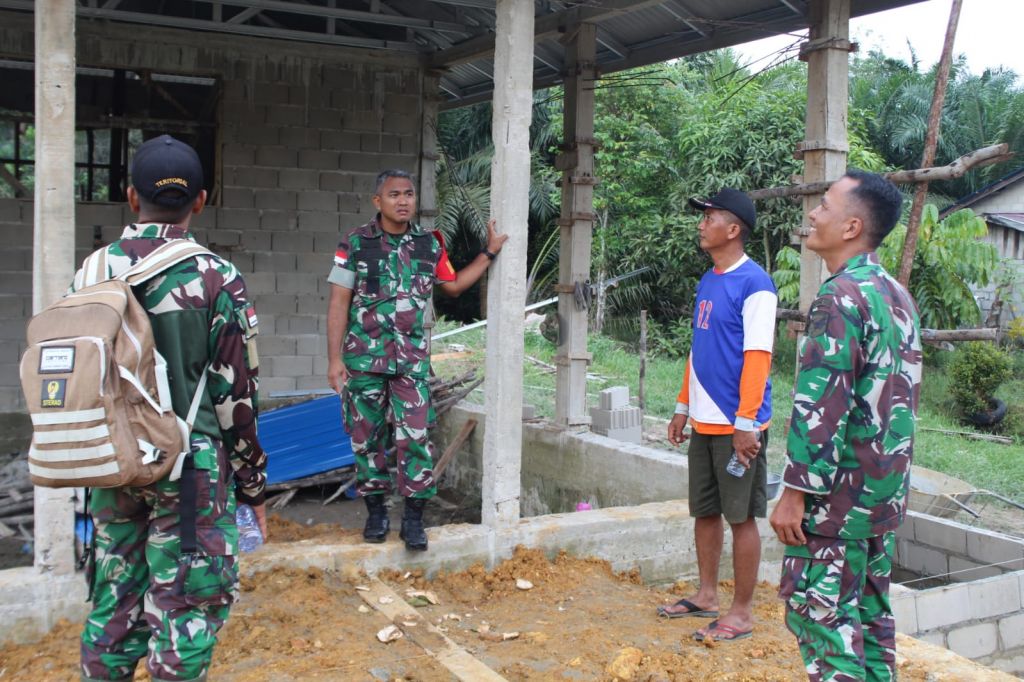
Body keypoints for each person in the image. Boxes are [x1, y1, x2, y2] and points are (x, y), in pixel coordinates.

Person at [76, 135, 267, 682]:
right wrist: (252, 481)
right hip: (189, 472)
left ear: (130, 197)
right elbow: (237, 397)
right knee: (185, 612)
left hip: (111, 463)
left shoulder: (89, 273)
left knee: (114, 606)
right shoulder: (216, 277)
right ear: (200, 201)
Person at [770, 170, 921, 681]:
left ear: (852, 226)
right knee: (872, 620)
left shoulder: (840, 297)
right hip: (881, 498)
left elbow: (822, 407)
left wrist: (795, 493)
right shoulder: (897, 295)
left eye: (826, 206)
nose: (813, 214)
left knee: (822, 618)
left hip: (836, 502)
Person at [326, 169, 507, 551]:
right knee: (366, 440)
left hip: (410, 364)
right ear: (378, 201)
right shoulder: (355, 243)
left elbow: (454, 286)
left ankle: (413, 520)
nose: (403, 200)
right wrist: (334, 360)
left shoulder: (428, 244)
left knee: (415, 439)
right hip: (364, 362)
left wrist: (489, 252)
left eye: (408, 193)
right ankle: (376, 514)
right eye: (394, 195)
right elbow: (339, 302)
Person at [660, 188, 778, 643]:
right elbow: (699, 350)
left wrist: (747, 423)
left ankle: (741, 613)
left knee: (741, 517)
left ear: (733, 229)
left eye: (709, 217)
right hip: (705, 422)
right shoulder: (708, 280)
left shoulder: (756, 285)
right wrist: (682, 406)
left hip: (737, 427)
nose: (700, 224)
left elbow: (758, 356)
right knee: (705, 512)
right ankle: (707, 595)